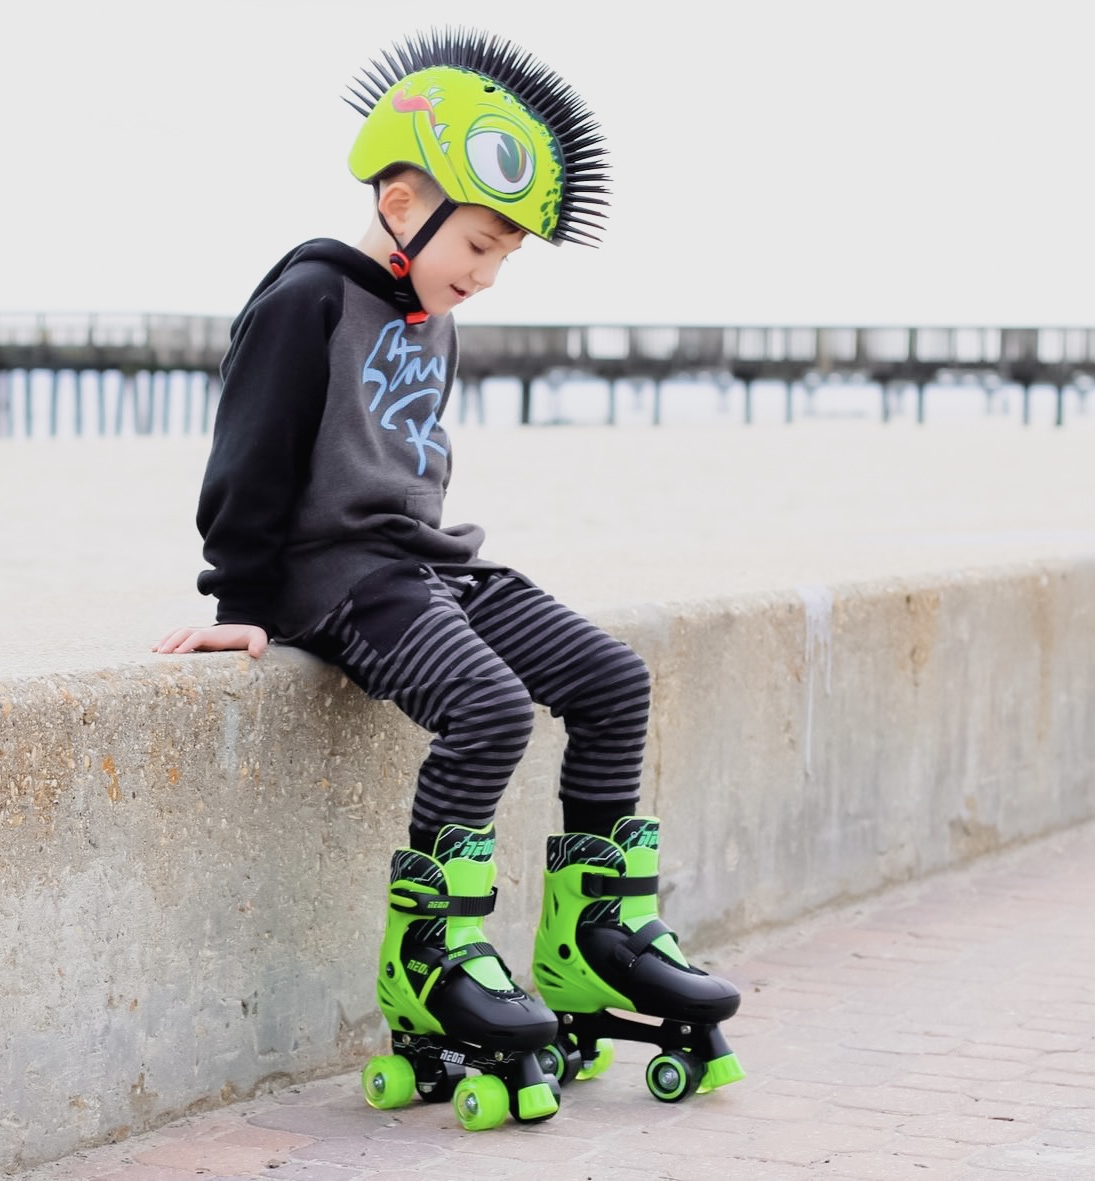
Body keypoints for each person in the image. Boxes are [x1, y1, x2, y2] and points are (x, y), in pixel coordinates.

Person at [154, 26, 741, 1130]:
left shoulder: (433, 318)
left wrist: (436, 571)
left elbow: (407, 477)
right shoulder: (307, 299)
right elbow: (249, 453)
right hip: (336, 579)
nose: (485, 273)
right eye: (477, 243)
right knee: (488, 709)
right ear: (399, 199)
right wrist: (239, 602)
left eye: (503, 257)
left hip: (424, 564)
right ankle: (430, 950)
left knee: (611, 678)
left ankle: (591, 938)